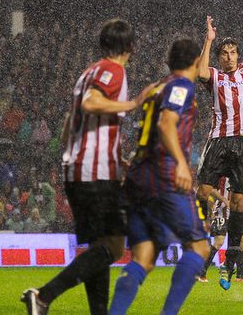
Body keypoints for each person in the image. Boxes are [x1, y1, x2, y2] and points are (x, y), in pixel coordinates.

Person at [22, 19, 153, 315]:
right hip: (94, 172)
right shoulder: (113, 70)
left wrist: (112, 158)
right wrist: (133, 104)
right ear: (132, 46)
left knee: (100, 246)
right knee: (115, 247)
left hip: (80, 168)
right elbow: (92, 104)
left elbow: (71, 122)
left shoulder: (87, 72)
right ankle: (43, 296)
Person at [109, 38, 210, 315]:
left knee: (144, 257)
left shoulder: (156, 87)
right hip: (163, 173)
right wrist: (180, 163)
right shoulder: (182, 85)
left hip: (137, 174)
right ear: (195, 62)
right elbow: (167, 124)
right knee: (200, 248)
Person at [195, 16, 243, 289]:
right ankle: (198, 240)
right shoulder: (215, 76)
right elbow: (199, 72)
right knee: (202, 191)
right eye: (224, 53)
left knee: (238, 203)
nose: (230, 57)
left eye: (233, 52)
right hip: (219, 140)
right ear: (220, 57)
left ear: (239, 54)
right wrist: (209, 40)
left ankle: (229, 262)